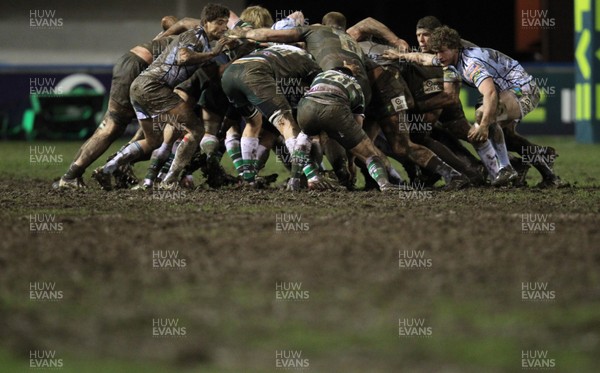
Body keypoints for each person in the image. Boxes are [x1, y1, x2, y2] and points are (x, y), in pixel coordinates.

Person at [92, 3, 236, 190]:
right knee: (196, 130)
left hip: (139, 86)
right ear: (206, 22)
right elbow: (183, 57)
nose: (224, 27)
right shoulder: (195, 35)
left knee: (153, 141)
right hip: (154, 87)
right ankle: (169, 181)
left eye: (226, 23)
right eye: (219, 23)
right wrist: (214, 53)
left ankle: (106, 169)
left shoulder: (204, 41)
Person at [425, 25, 562, 187]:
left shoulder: (471, 64)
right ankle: (549, 175)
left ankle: (506, 168)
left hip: (524, 90)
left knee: (484, 114)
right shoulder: (454, 57)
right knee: (508, 138)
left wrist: (483, 125)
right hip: (509, 91)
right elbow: (422, 58)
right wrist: (401, 55)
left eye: (442, 51)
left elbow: (490, 93)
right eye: (435, 52)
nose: (438, 56)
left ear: (455, 48)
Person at [54, 17, 178, 189]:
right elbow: (170, 20)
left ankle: (90, 171)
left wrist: (169, 33)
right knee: (113, 126)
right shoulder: (198, 35)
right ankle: (72, 176)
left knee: (147, 129)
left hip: (135, 64)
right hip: (139, 66)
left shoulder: (196, 36)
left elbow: (168, 21)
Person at [295, 64, 396, 192]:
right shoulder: (355, 85)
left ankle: (299, 179)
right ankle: (384, 184)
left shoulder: (320, 76)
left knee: (303, 141)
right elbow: (357, 126)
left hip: (305, 107)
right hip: (334, 109)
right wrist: (350, 162)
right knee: (369, 153)